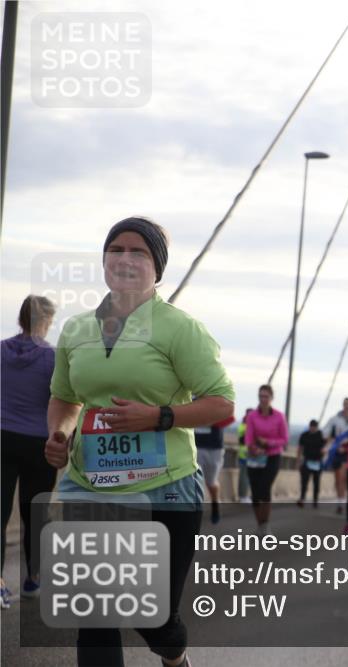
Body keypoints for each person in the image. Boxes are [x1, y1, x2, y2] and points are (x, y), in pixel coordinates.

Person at [43, 216, 235, 667]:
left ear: (157, 268)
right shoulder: (75, 330)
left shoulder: (179, 328)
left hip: (164, 488)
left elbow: (221, 404)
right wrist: (60, 434)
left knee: (153, 618)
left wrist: (159, 416)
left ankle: (174, 655)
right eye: (116, 249)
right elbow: (64, 398)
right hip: (89, 486)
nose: (125, 259)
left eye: (139, 252)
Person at [1, 295, 57, 609]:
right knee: (36, 513)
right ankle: (33, 578)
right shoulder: (53, 358)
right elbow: (63, 399)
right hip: (39, 444)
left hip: (2, 439)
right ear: (46, 322)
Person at [243, 384, 288, 535]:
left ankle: (265, 525)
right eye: (261, 396)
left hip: (273, 456)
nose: (263, 399)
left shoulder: (279, 416)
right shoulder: (252, 416)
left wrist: (268, 443)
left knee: (264, 487)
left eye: (266, 396)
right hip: (256, 456)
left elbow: (284, 439)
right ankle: (260, 525)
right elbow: (248, 437)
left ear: (271, 398)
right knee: (255, 493)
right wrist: (253, 448)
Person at [194, 414, 234, 524]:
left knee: (211, 482)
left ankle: (215, 503)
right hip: (195, 445)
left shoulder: (215, 397)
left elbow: (230, 417)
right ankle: (195, 513)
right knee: (196, 480)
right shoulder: (189, 397)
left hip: (214, 447)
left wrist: (207, 418)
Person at [323, 398, 348, 513]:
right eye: (344, 404)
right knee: (339, 479)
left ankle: (346, 500)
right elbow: (325, 432)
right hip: (338, 452)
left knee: (346, 479)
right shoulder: (335, 419)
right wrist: (331, 439)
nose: (346, 406)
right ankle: (341, 503)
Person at [296, 419, 326, 508]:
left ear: (317, 427)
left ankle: (315, 500)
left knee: (316, 482)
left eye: (315, 427)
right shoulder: (304, 435)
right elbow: (300, 448)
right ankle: (302, 498)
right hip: (307, 460)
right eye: (311, 426)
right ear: (309, 426)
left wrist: (324, 453)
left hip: (318, 461)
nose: (313, 428)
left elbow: (326, 446)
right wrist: (298, 460)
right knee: (304, 481)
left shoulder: (321, 435)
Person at [236, 408, 252, 503]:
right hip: (245, 454)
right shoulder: (244, 426)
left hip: (246, 454)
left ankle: (244, 495)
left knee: (245, 476)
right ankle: (243, 496)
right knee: (244, 476)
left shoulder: (243, 425)